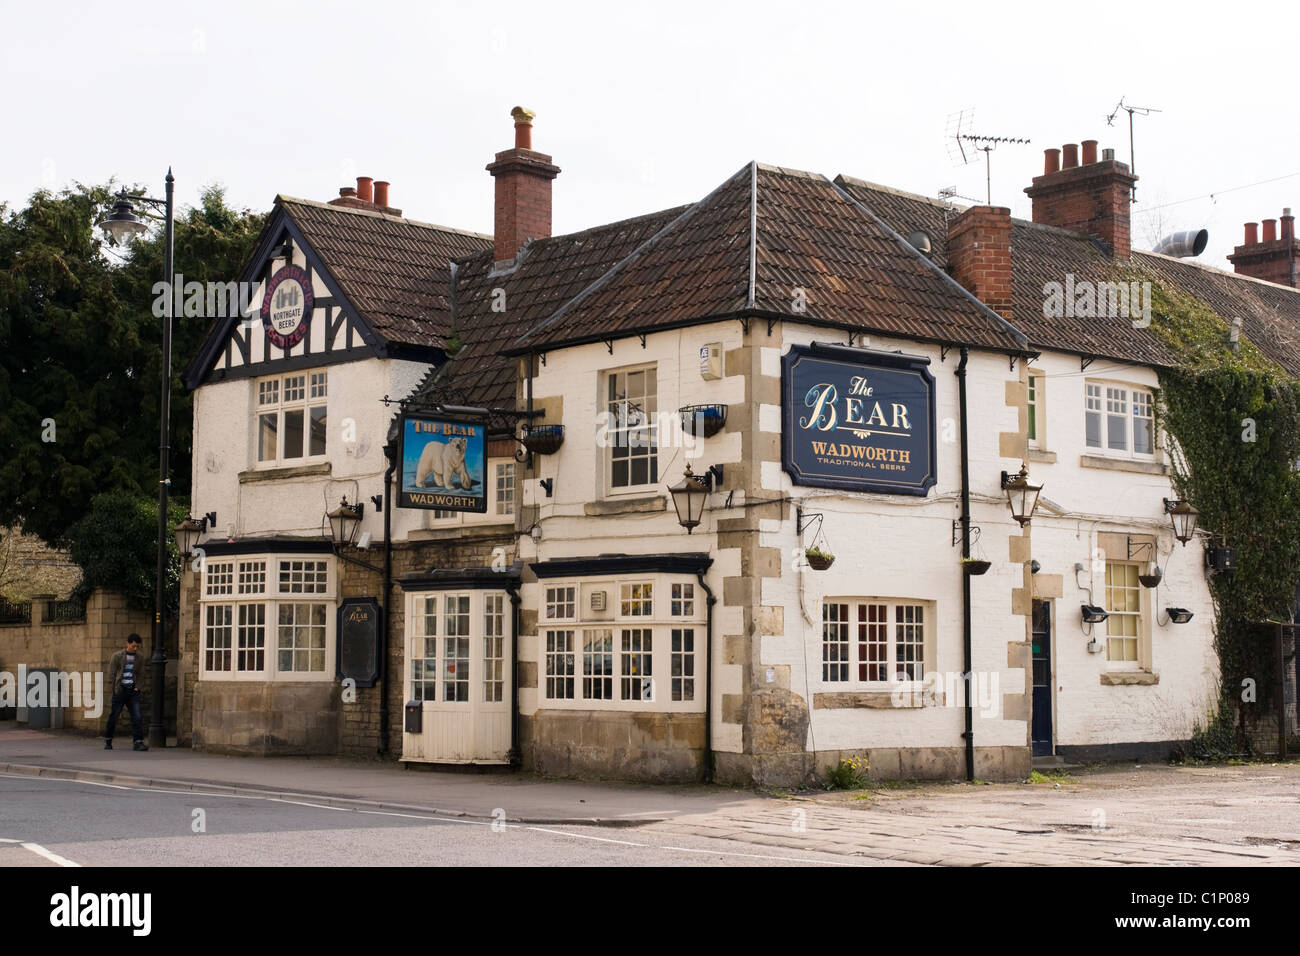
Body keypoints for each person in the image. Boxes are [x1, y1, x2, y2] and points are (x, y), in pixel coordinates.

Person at [105, 633, 148, 751]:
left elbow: (141, 674)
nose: (135, 649)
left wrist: (137, 687)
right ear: (128, 643)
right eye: (133, 646)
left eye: (137, 647)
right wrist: (113, 689)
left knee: (137, 717)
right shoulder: (117, 656)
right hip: (120, 689)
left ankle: (138, 742)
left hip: (132, 691)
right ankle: (108, 740)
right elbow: (111, 674)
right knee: (114, 716)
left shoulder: (139, 658)